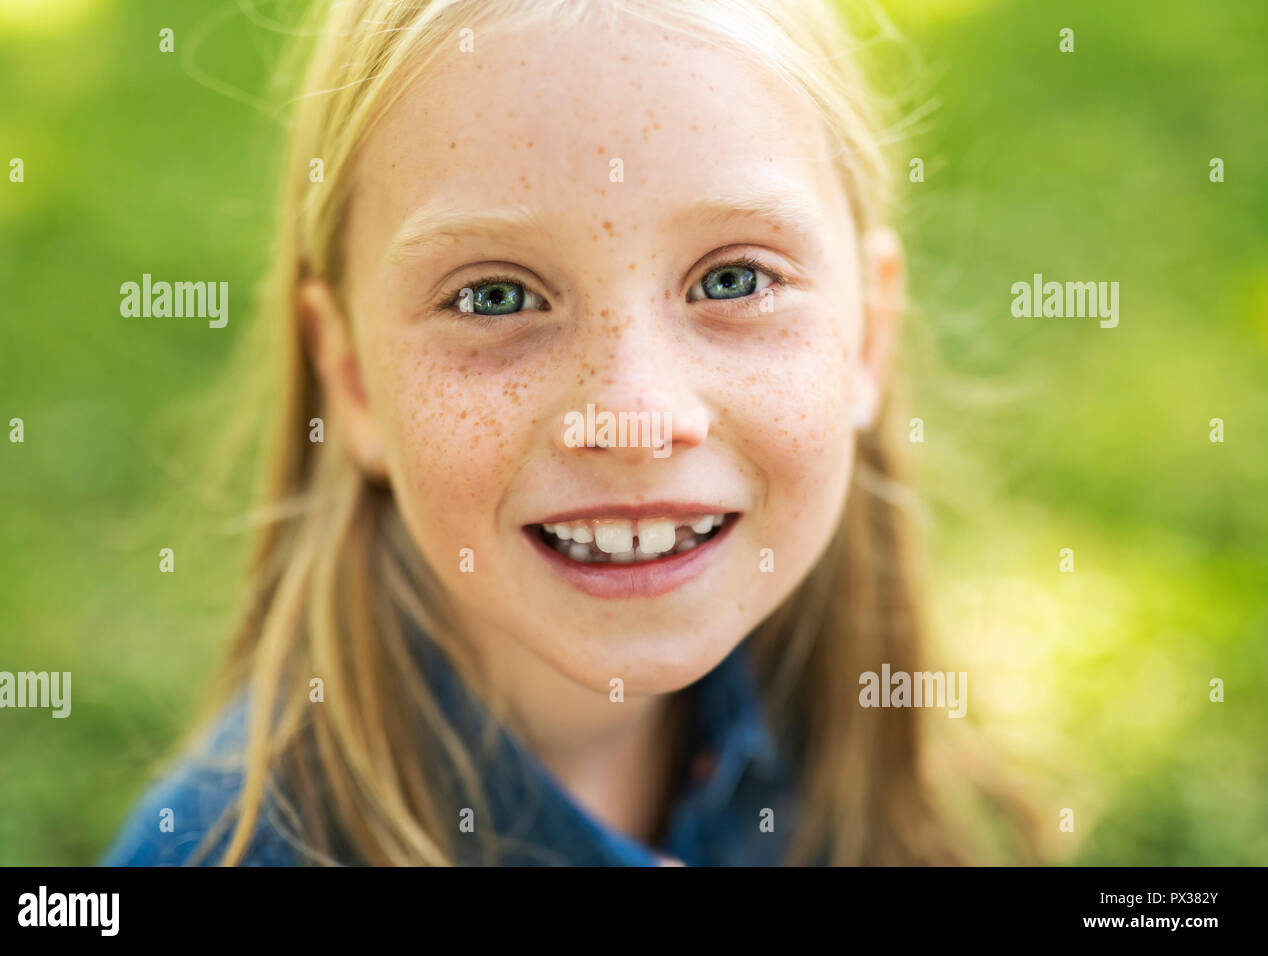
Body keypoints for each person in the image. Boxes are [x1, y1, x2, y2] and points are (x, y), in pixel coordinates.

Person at [102, 0, 968, 866]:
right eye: (495, 297)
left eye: (735, 278)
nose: (633, 421)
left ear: (869, 333)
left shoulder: (843, 737)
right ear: (353, 377)